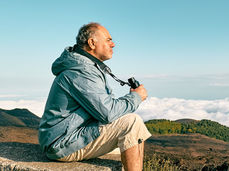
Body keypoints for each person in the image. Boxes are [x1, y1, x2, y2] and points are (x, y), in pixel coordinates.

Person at [39, 22, 151, 171]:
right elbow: (108, 113)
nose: (113, 44)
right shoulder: (81, 71)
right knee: (132, 124)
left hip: (66, 135)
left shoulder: (85, 66)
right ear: (92, 43)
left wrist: (132, 97)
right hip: (61, 143)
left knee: (129, 138)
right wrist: (136, 97)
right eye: (108, 40)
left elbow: (105, 106)